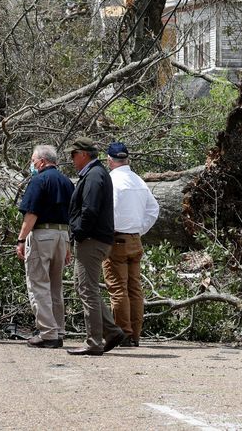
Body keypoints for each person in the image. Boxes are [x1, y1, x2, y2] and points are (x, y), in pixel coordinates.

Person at [65, 136, 125, 356]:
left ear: (83, 154)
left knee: (88, 290)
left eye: (73, 155)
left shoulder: (94, 175)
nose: (72, 159)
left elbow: (89, 210)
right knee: (83, 286)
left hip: (91, 239)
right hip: (94, 238)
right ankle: (111, 331)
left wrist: (79, 232)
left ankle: (93, 342)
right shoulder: (95, 173)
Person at [15, 145, 74, 349]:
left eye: (33, 161)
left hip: (42, 234)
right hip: (62, 235)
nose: (32, 164)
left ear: (41, 161)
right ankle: (58, 329)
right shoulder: (67, 182)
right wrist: (68, 245)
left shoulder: (39, 180)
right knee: (56, 285)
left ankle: (47, 333)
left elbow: (31, 213)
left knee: (39, 283)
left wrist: (21, 239)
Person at [103, 142, 159, 347]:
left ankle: (123, 334)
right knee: (134, 289)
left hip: (116, 239)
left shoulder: (111, 181)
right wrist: (139, 229)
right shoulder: (138, 180)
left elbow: (109, 210)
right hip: (135, 239)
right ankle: (135, 334)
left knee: (118, 289)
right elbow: (154, 209)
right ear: (127, 159)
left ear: (109, 160)